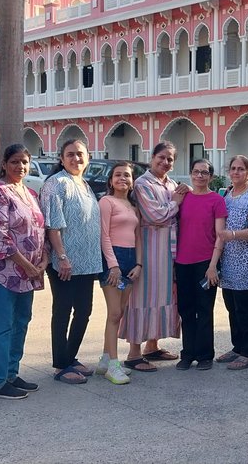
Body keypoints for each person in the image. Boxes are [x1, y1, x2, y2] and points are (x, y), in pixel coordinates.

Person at [0, 144, 47, 399]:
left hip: (29, 274)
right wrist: (28, 265)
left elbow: (40, 229)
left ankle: (11, 373)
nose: (20, 166)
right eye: (14, 162)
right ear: (4, 164)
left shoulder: (30, 193)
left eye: (24, 162)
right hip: (4, 272)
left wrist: (43, 260)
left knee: (21, 322)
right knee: (3, 325)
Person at [121, 142, 189, 372]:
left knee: (162, 295)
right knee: (142, 296)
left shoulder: (171, 184)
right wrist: (176, 202)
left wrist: (184, 194)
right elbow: (155, 215)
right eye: (161, 157)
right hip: (148, 247)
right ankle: (134, 353)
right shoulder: (143, 184)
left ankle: (152, 345)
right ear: (152, 157)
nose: (165, 162)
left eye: (170, 159)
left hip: (168, 249)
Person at [40, 139, 103, 384]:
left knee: (84, 311)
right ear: (62, 158)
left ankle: (70, 357)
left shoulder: (84, 184)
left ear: (88, 157)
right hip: (64, 262)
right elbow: (52, 225)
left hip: (86, 261)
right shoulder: (56, 183)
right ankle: (60, 364)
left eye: (80, 154)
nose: (76, 158)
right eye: (70, 154)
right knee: (63, 310)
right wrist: (62, 256)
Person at [173, 159, 227, 371]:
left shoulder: (216, 200)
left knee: (204, 310)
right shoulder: (183, 197)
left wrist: (213, 266)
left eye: (204, 173)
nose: (200, 176)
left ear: (210, 176)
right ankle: (187, 354)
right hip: (182, 262)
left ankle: (205, 355)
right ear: (190, 174)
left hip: (206, 262)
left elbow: (220, 235)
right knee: (186, 310)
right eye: (196, 172)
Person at [215, 155, 248, 370]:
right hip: (229, 260)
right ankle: (237, 348)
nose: (236, 172)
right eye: (233, 168)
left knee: (244, 308)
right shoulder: (227, 194)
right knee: (231, 307)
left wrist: (234, 235)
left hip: (246, 261)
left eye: (241, 169)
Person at [95, 162, 142, 385]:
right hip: (112, 259)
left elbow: (138, 237)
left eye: (127, 175)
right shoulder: (106, 202)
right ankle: (113, 365)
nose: (122, 178)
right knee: (114, 313)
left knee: (119, 312)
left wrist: (139, 264)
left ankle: (105, 360)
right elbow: (103, 235)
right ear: (111, 180)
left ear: (132, 181)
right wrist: (113, 265)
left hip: (130, 260)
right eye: (117, 175)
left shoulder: (133, 206)